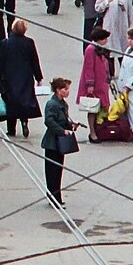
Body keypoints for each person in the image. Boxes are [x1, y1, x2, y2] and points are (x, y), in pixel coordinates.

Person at [0, 18, 43, 138]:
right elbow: (34, 61)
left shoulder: (5, 43)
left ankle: (11, 129)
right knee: (24, 101)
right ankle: (24, 122)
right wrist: (38, 77)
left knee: (10, 101)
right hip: (25, 76)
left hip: (9, 77)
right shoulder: (29, 42)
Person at [41, 77, 81, 208]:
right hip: (52, 142)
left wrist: (71, 126)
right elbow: (49, 121)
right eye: (65, 89)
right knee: (52, 171)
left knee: (58, 170)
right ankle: (54, 197)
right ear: (58, 90)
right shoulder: (52, 104)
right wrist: (62, 131)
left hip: (60, 143)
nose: (68, 91)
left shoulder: (63, 103)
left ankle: (56, 196)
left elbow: (63, 120)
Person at [78, 27, 113, 142]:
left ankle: (98, 130)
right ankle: (92, 132)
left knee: (101, 108)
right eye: (104, 39)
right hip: (94, 84)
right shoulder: (90, 50)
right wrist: (90, 86)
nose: (106, 41)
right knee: (92, 108)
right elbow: (89, 68)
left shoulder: (100, 49)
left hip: (101, 84)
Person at [94, 0, 132, 68]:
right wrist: (107, 2)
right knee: (110, 51)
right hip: (109, 26)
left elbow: (130, 12)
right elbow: (97, 8)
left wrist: (131, 26)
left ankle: (124, 70)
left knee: (122, 51)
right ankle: (110, 73)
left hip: (122, 27)